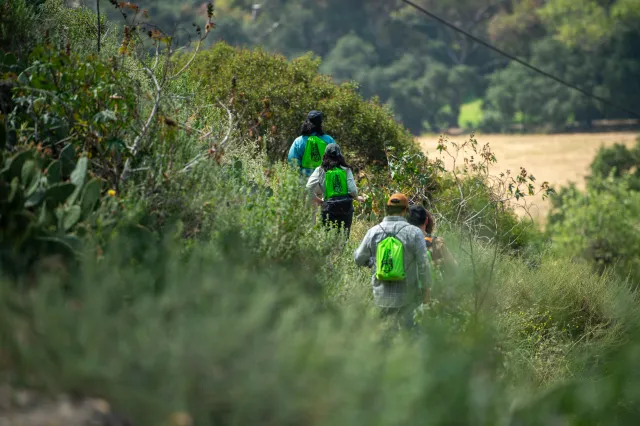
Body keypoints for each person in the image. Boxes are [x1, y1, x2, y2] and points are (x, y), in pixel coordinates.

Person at [354, 193, 432, 330]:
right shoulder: (414, 233)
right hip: (408, 297)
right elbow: (423, 265)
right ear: (406, 211)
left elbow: (358, 258)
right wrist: (426, 292)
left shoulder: (373, 232)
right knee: (410, 337)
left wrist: (372, 262)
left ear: (387, 209)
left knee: (386, 337)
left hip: (381, 296)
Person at [306, 144, 363, 238]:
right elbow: (353, 191)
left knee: (328, 239)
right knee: (343, 238)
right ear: (340, 155)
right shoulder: (346, 169)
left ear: (325, 155)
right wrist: (357, 197)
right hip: (346, 208)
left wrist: (320, 202)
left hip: (328, 207)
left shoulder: (320, 170)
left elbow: (308, 189)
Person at [407, 205, 458, 279]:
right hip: (434, 288)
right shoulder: (437, 242)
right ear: (426, 220)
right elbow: (453, 268)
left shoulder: (401, 242)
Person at [287, 110, 336, 177]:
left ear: (307, 122)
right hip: (325, 181)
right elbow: (337, 160)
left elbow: (292, 162)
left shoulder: (299, 141)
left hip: (304, 181)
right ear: (320, 124)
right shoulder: (329, 140)